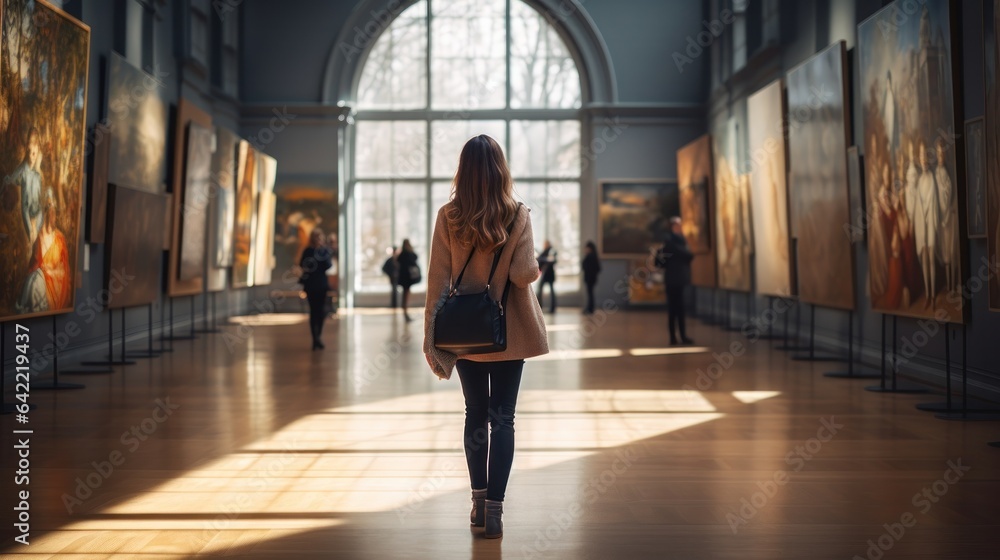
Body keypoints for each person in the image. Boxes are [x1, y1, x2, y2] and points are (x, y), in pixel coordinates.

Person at [423, 134, 549, 539]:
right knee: (504, 418)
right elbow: (521, 275)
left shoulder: (449, 215)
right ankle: (494, 512)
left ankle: (477, 502)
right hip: (508, 330)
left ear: (464, 170)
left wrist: (431, 337)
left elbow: (437, 281)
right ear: (500, 169)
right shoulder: (517, 215)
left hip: (466, 333)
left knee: (474, 414)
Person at [18, 189, 70, 313]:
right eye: (50, 212)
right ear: (46, 213)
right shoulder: (39, 237)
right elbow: (33, 264)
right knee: (33, 279)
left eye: (54, 212)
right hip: (41, 277)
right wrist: (40, 269)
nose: (53, 215)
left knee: (35, 280)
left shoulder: (60, 239)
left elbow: (64, 271)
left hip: (55, 283)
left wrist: (50, 271)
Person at [656, 216, 694, 345]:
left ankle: (682, 336)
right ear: (672, 227)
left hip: (680, 278)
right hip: (672, 279)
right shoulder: (670, 243)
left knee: (680, 309)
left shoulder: (680, 242)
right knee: (673, 309)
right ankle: (673, 337)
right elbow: (687, 255)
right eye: (677, 226)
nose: (679, 228)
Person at [299, 228, 333, 350]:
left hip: (322, 285)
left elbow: (328, 265)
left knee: (321, 311)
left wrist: (323, 252)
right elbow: (303, 264)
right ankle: (315, 338)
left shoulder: (323, 251)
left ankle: (318, 336)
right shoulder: (308, 251)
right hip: (311, 285)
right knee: (314, 311)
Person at [396, 239, 419, 322]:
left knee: (405, 295)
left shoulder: (401, 254)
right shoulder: (409, 254)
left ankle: (405, 312)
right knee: (406, 296)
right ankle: (405, 313)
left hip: (403, 278)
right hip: (407, 278)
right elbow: (415, 258)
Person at [536, 240, 557, 313]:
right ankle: (540, 306)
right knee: (540, 290)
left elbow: (552, 260)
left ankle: (552, 308)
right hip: (545, 275)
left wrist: (543, 259)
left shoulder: (552, 251)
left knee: (550, 291)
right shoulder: (544, 252)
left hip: (549, 275)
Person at [581, 241, 601, 314]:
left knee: (590, 294)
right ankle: (590, 308)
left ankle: (590, 309)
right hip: (591, 278)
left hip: (590, 278)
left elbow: (588, 267)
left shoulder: (590, 256)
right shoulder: (592, 256)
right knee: (590, 294)